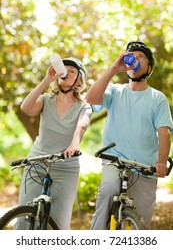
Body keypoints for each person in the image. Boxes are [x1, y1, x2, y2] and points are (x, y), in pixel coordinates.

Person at [86, 41, 173, 229]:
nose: (134, 57)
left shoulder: (157, 98)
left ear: (149, 67)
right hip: (115, 161)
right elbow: (91, 99)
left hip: (145, 167)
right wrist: (113, 69)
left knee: (140, 223)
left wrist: (161, 162)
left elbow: (164, 133)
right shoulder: (115, 91)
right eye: (131, 54)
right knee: (108, 191)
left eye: (140, 55)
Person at [18, 57, 92, 229]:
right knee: (23, 219)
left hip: (66, 167)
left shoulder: (84, 106)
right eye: (62, 70)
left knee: (58, 224)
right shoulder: (45, 100)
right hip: (37, 162)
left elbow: (82, 125)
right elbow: (26, 108)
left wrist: (75, 144)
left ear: (78, 79)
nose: (65, 73)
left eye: (71, 71)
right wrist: (47, 80)